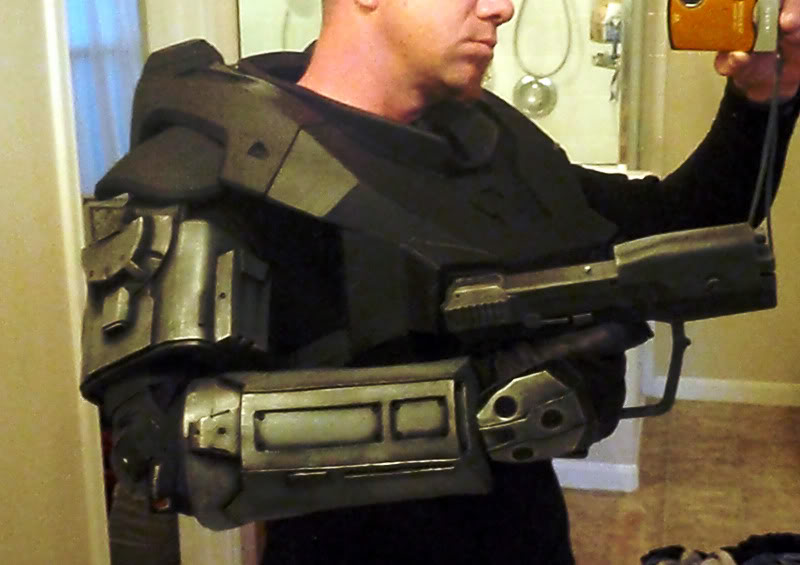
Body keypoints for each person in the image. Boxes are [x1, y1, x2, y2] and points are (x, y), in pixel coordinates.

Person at [80, 1, 800, 564]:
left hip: (528, 540)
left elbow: (685, 225)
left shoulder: (489, 143)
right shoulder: (219, 159)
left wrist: (764, 97)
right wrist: (487, 407)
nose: (501, 7)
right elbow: (164, 448)